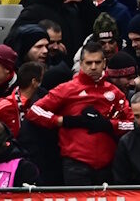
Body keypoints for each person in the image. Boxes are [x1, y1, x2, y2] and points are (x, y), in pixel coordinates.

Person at [26, 41, 133, 184]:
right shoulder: (66, 89)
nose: (93, 67)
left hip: (108, 165)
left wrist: (109, 125)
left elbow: (133, 124)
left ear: (104, 63)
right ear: (81, 64)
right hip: (76, 165)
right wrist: (62, 121)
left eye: (97, 62)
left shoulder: (115, 93)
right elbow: (34, 111)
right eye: (89, 63)